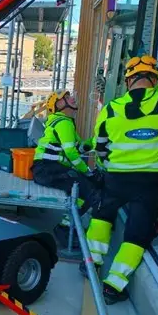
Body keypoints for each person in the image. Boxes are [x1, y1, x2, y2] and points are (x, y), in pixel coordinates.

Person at [85, 55, 158, 304]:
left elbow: (100, 147)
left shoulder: (112, 108)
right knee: (137, 235)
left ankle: (92, 264)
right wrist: (156, 74)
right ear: (154, 79)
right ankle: (113, 286)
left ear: (127, 81)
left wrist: (107, 165)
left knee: (102, 215)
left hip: (117, 178)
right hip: (150, 183)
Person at [32, 90, 101, 230]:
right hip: (48, 170)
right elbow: (71, 153)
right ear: (59, 104)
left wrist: (96, 140)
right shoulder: (64, 123)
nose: (72, 99)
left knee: (85, 187)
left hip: (47, 170)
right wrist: (87, 171)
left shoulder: (63, 122)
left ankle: (69, 224)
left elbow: (78, 147)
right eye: (67, 97)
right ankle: (67, 228)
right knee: (89, 191)